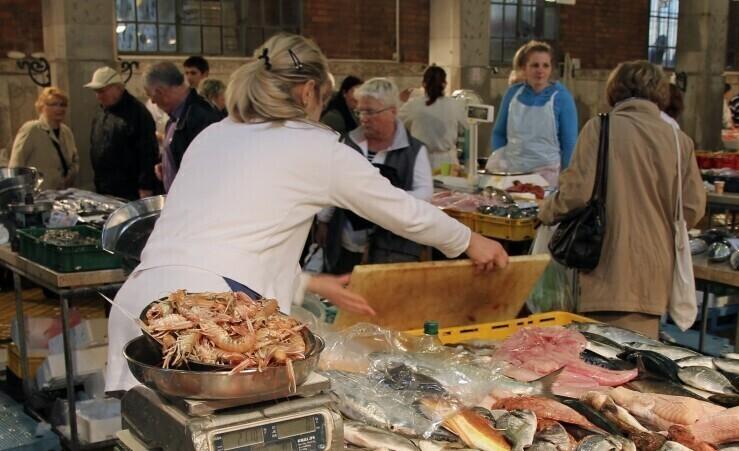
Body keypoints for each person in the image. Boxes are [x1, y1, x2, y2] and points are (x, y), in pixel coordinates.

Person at [105, 33, 508, 393]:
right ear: (310, 91)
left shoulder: (214, 133)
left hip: (141, 304)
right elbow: (401, 210)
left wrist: (308, 282)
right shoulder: (314, 145)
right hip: (217, 320)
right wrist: (471, 240)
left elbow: (223, 236)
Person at [537, 60, 706, 338]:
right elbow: (692, 208)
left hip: (604, 267)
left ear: (615, 90)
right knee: (638, 366)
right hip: (654, 274)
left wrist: (546, 212)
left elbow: (574, 194)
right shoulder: (679, 140)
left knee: (598, 364)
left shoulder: (599, 129)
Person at [318, 77, 434, 273]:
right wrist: (323, 220)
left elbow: (425, 194)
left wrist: (383, 198)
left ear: (393, 111)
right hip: (347, 245)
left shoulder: (414, 151)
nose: (363, 118)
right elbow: (331, 183)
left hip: (394, 250)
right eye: (360, 111)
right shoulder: (348, 143)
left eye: (370, 111)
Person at [490, 40, 578, 186]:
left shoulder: (562, 97)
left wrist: (566, 179)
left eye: (545, 65)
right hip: (513, 173)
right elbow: (499, 132)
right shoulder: (512, 94)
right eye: (535, 65)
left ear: (551, 68)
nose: (540, 70)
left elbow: (569, 143)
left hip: (547, 176)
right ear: (524, 67)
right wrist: (501, 161)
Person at [144, 62, 222, 192]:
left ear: (160, 92)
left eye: (150, 95)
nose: (152, 101)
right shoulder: (176, 117)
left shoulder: (201, 117)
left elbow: (206, 173)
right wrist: (168, 166)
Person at [85, 66, 160, 200]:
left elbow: (148, 152)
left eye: (102, 91)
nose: (98, 96)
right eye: (96, 92)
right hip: (104, 186)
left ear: (118, 88)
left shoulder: (137, 113)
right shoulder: (102, 111)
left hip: (129, 190)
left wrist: (145, 186)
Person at [398, 65, 468, 173]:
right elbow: (464, 129)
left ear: (423, 84)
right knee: (447, 189)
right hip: (447, 162)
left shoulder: (414, 104)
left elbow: (397, 124)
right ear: (445, 84)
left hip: (420, 159)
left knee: (421, 187)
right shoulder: (455, 105)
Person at [9, 87, 79, 190]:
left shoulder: (66, 132)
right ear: (42, 107)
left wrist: (70, 176)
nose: (59, 109)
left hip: (63, 194)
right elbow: (16, 165)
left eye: (63, 105)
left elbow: (74, 160)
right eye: (54, 104)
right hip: (38, 197)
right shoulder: (32, 129)